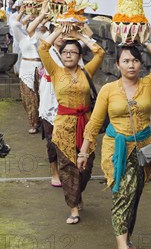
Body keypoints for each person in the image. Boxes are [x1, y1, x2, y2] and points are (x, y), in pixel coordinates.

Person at [78, 43, 151, 249]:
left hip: (143, 149)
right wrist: (83, 151)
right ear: (117, 64)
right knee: (123, 193)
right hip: (116, 149)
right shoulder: (108, 90)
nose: (131, 65)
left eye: (135, 60)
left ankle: (126, 237)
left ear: (141, 63)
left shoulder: (148, 84)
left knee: (135, 194)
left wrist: (144, 39)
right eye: (126, 61)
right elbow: (95, 122)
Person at [39, 25, 105, 224]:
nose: (68, 55)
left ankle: (77, 193)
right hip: (63, 126)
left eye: (73, 52)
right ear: (60, 55)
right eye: (65, 52)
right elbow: (43, 47)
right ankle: (73, 208)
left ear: (79, 56)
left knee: (85, 168)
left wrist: (79, 36)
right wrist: (59, 30)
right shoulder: (56, 71)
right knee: (68, 168)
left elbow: (100, 52)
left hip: (86, 124)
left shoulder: (86, 72)